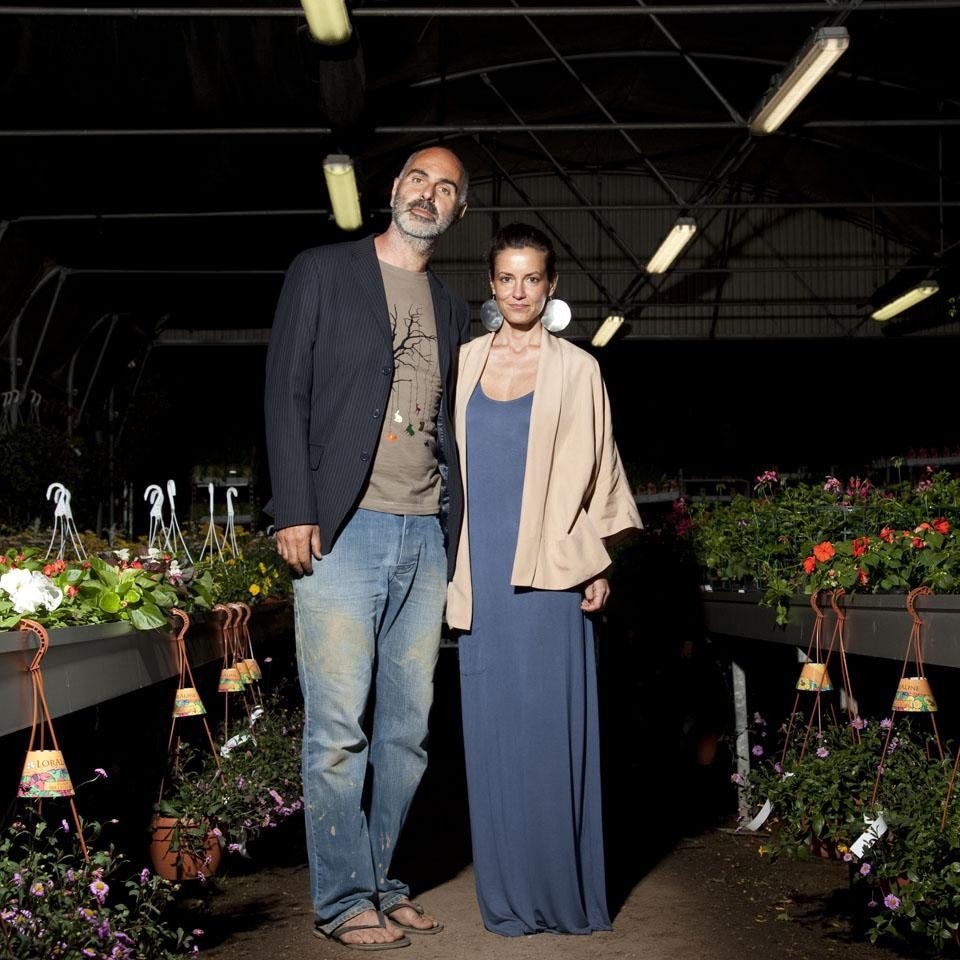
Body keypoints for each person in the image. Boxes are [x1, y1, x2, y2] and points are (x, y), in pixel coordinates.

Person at [263, 146, 470, 950]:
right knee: (338, 731)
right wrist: (295, 507)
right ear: (393, 189)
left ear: (457, 212)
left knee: (407, 735)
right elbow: (286, 387)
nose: (428, 194)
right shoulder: (322, 270)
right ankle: (344, 899)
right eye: (419, 178)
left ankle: (382, 882)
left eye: (446, 188)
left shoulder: (450, 304)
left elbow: (450, 424)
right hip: (342, 529)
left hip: (425, 531)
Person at [446, 222, 642, 937]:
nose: (519, 291)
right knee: (493, 737)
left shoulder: (578, 369)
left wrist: (599, 560)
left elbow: (602, 468)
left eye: (532, 278)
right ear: (491, 286)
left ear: (551, 285)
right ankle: (506, 897)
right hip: (479, 574)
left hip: (551, 574)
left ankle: (563, 895)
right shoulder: (462, 363)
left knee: (551, 734)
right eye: (507, 279)